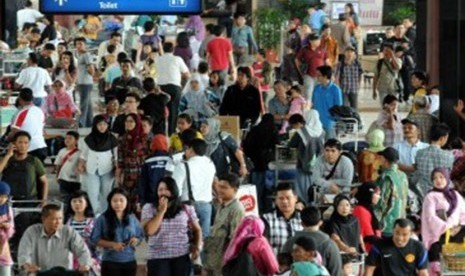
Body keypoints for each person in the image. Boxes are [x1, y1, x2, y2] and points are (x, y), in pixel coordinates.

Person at [141, 177, 202, 276]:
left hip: (181, 256)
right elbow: (149, 231)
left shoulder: (186, 208)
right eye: (160, 190)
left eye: (167, 189)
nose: (163, 192)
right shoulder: (149, 208)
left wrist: (197, 247)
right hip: (158, 257)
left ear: (174, 191)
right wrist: (161, 211)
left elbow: (197, 230)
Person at [18, 204, 92, 274]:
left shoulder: (68, 232)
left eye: (60, 218)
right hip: (39, 273)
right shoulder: (31, 231)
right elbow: (23, 253)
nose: (58, 222)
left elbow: (82, 251)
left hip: (64, 274)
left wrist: (85, 265)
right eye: (54, 219)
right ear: (44, 219)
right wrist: (27, 265)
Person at [421, 168, 465, 275]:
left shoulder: (455, 194)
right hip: (439, 234)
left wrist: (459, 226)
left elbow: (463, 212)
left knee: (455, 268)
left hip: (457, 232)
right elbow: (430, 217)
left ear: (447, 178)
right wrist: (448, 227)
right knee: (439, 269)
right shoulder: (430, 196)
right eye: (435, 178)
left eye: (441, 177)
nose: (438, 180)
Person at [90, 188, 143, 276]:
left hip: (130, 261)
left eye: (121, 200)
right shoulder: (102, 218)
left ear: (127, 201)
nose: (118, 203)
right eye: (115, 201)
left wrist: (136, 240)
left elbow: (140, 236)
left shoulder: (132, 218)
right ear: (110, 202)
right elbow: (95, 239)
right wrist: (113, 245)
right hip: (110, 262)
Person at [171, 139, 216, 238]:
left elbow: (175, 189)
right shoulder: (210, 164)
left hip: (187, 207)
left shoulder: (183, 166)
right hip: (206, 206)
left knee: (186, 239)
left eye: (187, 149)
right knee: (203, 239)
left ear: (191, 150)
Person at [282, 206, 343, 276]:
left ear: (301, 223)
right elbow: (336, 271)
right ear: (320, 223)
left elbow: (282, 268)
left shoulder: (290, 242)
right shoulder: (330, 244)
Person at [204, 173, 245, 275]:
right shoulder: (222, 205)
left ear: (234, 190)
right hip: (213, 258)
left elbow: (235, 239)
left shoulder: (236, 209)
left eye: (224, 187)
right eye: (219, 186)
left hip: (223, 262)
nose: (219, 190)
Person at [78, 115, 118, 215]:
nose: (102, 127)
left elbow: (116, 156)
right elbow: (84, 155)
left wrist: (117, 168)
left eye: (104, 124)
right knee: (93, 192)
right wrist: (81, 164)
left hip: (107, 170)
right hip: (91, 170)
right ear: (95, 125)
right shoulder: (88, 139)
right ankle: (96, 214)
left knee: (106, 193)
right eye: (99, 124)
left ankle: (105, 214)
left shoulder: (112, 139)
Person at [364, 218, 429, 276]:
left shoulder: (419, 247)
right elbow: (369, 269)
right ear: (393, 230)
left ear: (411, 234)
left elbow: (423, 272)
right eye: (397, 233)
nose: (400, 238)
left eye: (404, 235)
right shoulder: (379, 245)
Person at [242, 113, 279, 212]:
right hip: (269, 165)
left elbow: (246, 146)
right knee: (269, 189)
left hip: (256, 164)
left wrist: (253, 156)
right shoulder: (273, 130)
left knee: (257, 188)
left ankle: (257, 208)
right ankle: (268, 209)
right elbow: (277, 146)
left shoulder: (254, 130)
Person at [287, 112, 324, 203]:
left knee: (302, 188)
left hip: (303, 165)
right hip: (318, 166)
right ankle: (314, 206)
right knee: (315, 188)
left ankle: (303, 206)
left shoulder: (301, 131)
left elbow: (291, 145)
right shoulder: (322, 132)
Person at [0, 131, 48, 202]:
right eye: (20, 142)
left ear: (29, 144)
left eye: (26, 143)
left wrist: (44, 200)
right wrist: (8, 155)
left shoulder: (34, 160)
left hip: (29, 200)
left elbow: (44, 181)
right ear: (14, 144)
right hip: (7, 200)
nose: (23, 145)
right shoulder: (5, 159)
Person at [116, 113, 150, 211]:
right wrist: (119, 175)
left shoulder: (145, 138)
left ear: (137, 123)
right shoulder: (122, 139)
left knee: (140, 199)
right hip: (128, 174)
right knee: (128, 200)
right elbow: (120, 159)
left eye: (131, 121)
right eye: (127, 121)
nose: (128, 123)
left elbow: (148, 155)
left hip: (142, 173)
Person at [156, 42, 191, 135]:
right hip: (174, 87)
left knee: (161, 111)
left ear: (163, 48)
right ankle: (171, 133)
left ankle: (161, 132)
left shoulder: (158, 59)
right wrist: (181, 86)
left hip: (161, 88)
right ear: (173, 50)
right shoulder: (177, 59)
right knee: (173, 110)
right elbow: (187, 74)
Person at [414, 123, 454, 200]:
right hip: (442, 193)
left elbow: (417, 172)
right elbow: (447, 175)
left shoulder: (419, 153)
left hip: (423, 192)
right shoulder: (448, 155)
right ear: (442, 138)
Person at [374, 147, 409, 236]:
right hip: (401, 220)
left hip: (388, 224)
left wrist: (374, 220)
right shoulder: (403, 175)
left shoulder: (387, 177)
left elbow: (382, 203)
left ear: (384, 160)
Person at [7, 88, 47, 163]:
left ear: (20, 99)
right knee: (40, 174)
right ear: (32, 98)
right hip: (41, 147)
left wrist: (7, 139)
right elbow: (42, 131)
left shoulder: (21, 113)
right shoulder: (40, 111)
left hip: (28, 150)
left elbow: (14, 132)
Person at [262, 183, 303, 254]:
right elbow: (264, 246)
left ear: (295, 198)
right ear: (276, 201)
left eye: (288, 198)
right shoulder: (267, 218)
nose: (284, 201)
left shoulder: (303, 217)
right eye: (281, 198)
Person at [64, 190, 99, 273]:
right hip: (70, 261)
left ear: (86, 204)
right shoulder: (66, 223)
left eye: (80, 201)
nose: (77, 204)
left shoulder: (94, 223)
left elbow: (99, 244)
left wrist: (92, 260)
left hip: (90, 260)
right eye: (74, 201)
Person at [139, 134, 171, 206]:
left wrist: (141, 201)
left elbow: (142, 182)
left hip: (151, 198)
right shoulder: (171, 159)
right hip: (168, 197)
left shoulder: (148, 161)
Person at [295, 34, 330, 101]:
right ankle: (308, 109)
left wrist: (330, 72)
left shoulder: (322, 49)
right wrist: (300, 70)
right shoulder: (304, 49)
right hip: (309, 75)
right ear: (311, 41)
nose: (318, 41)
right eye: (316, 40)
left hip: (321, 76)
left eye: (319, 40)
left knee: (319, 94)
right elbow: (297, 60)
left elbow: (327, 61)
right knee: (308, 94)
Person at [312, 65, 343, 139]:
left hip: (329, 123)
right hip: (317, 122)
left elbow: (338, 108)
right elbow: (313, 104)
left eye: (319, 75)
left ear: (325, 76)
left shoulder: (335, 90)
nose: (317, 77)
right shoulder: (316, 88)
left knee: (330, 145)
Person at [353, 183, 382, 253]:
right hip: (367, 250)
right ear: (369, 194)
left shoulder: (368, 208)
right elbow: (369, 237)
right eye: (377, 194)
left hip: (373, 246)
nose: (379, 197)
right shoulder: (361, 210)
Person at [55, 131, 81, 207]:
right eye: (66, 138)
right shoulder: (61, 151)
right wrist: (57, 176)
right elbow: (58, 165)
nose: (67, 140)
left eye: (70, 138)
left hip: (76, 181)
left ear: (76, 141)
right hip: (63, 179)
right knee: (64, 200)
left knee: (75, 199)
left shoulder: (80, 153)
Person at [74, 37, 95, 127]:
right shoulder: (80, 55)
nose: (79, 46)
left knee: (83, 104)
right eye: (77, 44)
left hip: (85, 83)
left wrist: (89, 71)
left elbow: (91, 70)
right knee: (88, 105)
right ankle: (89, 123)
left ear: (85, 45)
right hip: (81, 82)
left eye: (81, 44)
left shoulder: (86, 55)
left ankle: (81, 123)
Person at [334, 46, 363, 110]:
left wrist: (359, 84)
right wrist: (338, 87)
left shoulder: (357, 64)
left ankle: (355, 119)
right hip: (344, 90)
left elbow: (360, 75)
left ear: (354, 54)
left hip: (354, 89)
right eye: (348, 52)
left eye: (351, 52)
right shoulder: (340, 64)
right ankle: (346, 120)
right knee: (345, 108)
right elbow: (336, 77)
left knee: (354, 108)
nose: (349, 53)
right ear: (345, 53)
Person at [0, 181, 14, 276]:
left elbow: (11, 232)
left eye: (5, 196)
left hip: (3, 250)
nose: (2, 199)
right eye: (0, 195)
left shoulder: (8, 210)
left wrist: (8, 227)